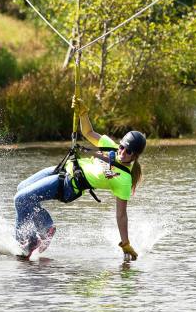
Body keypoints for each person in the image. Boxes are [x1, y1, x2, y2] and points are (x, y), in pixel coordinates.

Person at [14, 96, 146, 259]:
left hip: (70, 185)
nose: (122, 152)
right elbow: (88, 132)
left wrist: (125, 243)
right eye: (122, 147)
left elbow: (121, 215)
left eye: (129, 152)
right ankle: (44, 226)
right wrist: (83, 113)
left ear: (136, 156)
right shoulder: (111, 147)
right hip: (65, 168)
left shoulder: (124, 180)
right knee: (21, 189)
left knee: (21, 199)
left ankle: (29, 241)